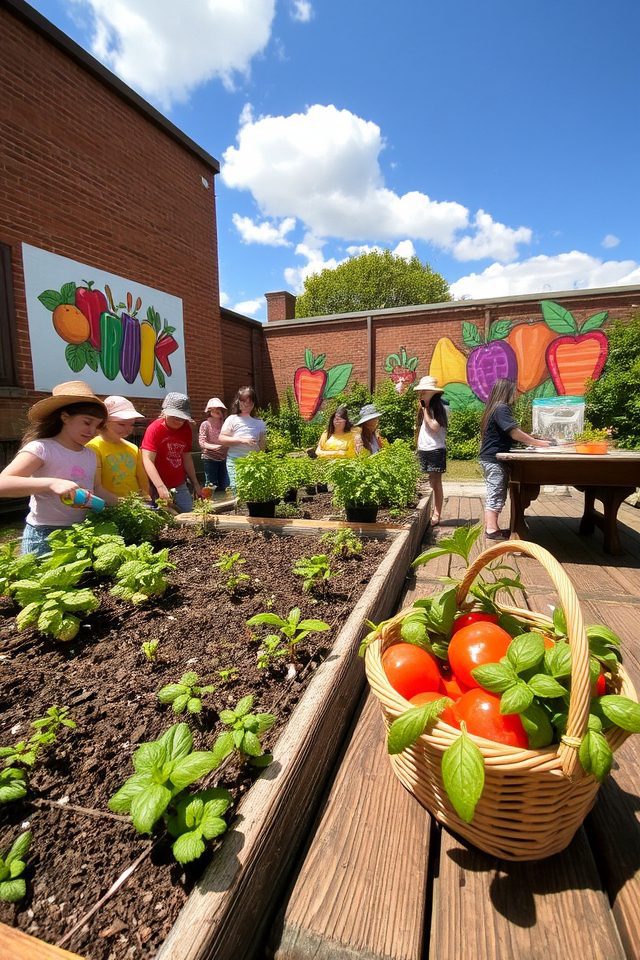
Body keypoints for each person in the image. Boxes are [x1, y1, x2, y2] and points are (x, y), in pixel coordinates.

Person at [0, 381, 117, 556]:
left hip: (81, 531)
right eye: (87, 422)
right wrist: (52, 483)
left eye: (97, 425)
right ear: (64, 417)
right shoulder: (41, 448)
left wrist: (126, 503)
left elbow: (97, 489)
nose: (92, 431)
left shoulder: (90, 454)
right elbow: (3, 484)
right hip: (44, 536)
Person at [480, 378, 553, 539]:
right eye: (514, 391)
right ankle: (491, 530)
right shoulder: (501, 408)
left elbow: (511, 432)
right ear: (506, 391)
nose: (516, 394)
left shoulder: (495, 408)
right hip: (494, 459)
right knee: (496, 492)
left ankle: (493, 527)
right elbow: (513, 432)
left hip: (490, 458)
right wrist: (537, 443)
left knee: (497, 491)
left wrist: (532, 437)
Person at [141, 392, 201, 513]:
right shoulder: (154, 429)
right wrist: (160, 486)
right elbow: (147, 459)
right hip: (156, 485)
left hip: (179, 483)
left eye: (182, 419)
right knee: (163, 518)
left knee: (188, 513)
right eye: (175, 417)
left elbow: (186, 457)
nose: (179, 421)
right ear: (165, 413)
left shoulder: (186, 429)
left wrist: (195, 482)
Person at [87, 396, 150, 499]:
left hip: (135, 506)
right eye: (121, 424)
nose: (128, 429)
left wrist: (146, 500)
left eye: (131, 424)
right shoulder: (93, 447)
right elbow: (95, 486)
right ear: (105, 422)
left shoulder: (133, 448)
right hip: (107, 506)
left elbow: (142, 481)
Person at [414, 375, 448, 526]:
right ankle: (426, 512)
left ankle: (437, 514)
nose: (420, 393)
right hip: (423, 449)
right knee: (425, 482)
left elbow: (435, 427)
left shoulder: (440, 407)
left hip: (435, 450)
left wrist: (426, 411)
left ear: (432, 392)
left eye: (423, 391)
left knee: (436, 483)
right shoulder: (424, 407)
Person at [218, 386, 267, 491]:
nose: (246, 405)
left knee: (253, 490)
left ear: (254, 404)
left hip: (253, 462)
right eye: (243, 402)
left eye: (249, 403)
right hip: (235, 462)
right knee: (238, 489)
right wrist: (242, 440)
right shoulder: (232, 419)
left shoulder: (259, 422)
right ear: (238, 402)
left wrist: (261, 458)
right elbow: (222, 439)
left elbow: (263, 445)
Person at [198, 397, 230, 492]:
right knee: (211, 485)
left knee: (225, 484)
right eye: (214, 409)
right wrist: (216, 447)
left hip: (224, 458)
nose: (216, 411)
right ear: (209, 411)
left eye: (219, 409)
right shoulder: (205, 424)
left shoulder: (225, 424)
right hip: (210, 458)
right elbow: (202, 442)